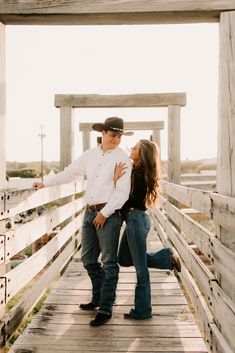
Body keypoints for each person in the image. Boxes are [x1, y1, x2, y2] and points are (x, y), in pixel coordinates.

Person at [33, 116, 133, 327]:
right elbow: (70, 173)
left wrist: (105, 213)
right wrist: (45, 183)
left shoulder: (123, 159)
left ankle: (106, 308)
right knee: (87, 259)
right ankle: (98, 297)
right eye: (113, 135)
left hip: (109, 214)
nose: (116, 139)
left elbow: (122, 192)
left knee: (108, 262)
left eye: (119, 136)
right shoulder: (90, 155)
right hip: (89, 213)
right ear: (103, 134)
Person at [114, 139, 181, 320]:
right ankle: (165, 257)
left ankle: (143, 310)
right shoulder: (138, 172)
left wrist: (115, 182)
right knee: (124, 258)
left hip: (136, 220)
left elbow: (128, 200)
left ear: (141, 154)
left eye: (135, 148)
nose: (132, 149)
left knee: (140, 269)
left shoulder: (137, 174)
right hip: (136, 220)